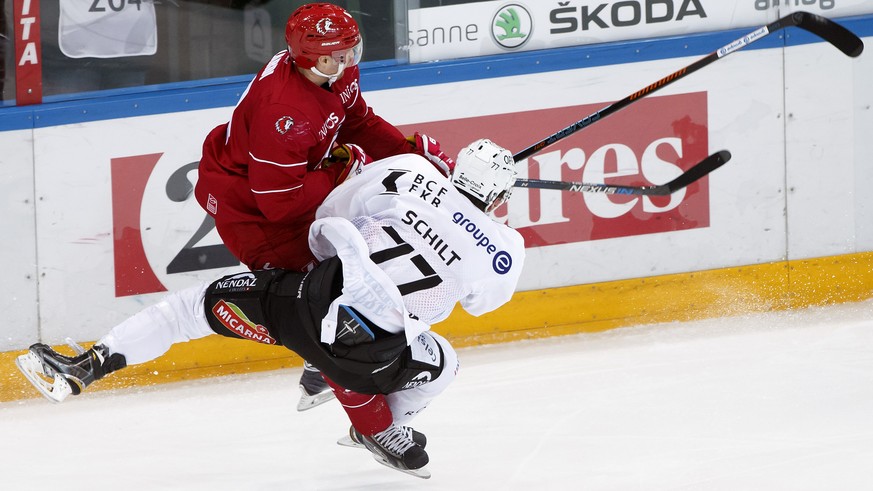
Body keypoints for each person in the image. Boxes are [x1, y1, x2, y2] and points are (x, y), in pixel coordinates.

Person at [17, 139, 525, 478]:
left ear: (456, 167)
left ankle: (88, 365)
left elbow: (332, 213)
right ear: (499, 195)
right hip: (374, 357)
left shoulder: (411, 173)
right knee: (446, 362)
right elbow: (482, 303)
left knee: (190, 309)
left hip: (300, 306)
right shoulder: (504, 248)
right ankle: (383, 427)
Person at [193, 2, 456, 411]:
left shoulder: (331, 70)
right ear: (311, 60)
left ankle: (323, 369)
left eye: (354, 51)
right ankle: (369, 418)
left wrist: (407, 154)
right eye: (341, 55)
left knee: (365, 262)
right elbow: (278, 205)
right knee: (323, 296)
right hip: (251, 211)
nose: (351, 61)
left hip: (286, 189)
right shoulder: (283, 113)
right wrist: (340, 171)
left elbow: (359, 122)